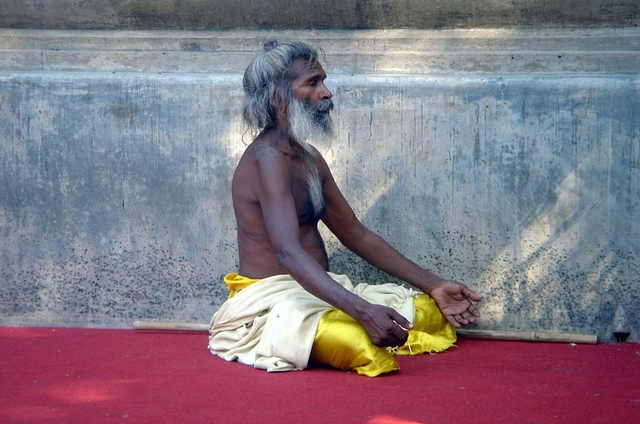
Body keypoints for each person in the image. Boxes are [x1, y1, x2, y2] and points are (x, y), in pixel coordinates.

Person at [208, 39, 481, 377]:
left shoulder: (309, 158)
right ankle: (337, 324)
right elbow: (288, 254)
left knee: (428, 313)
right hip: (273, 303)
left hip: (321, 290)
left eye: (323, 80)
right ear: (277, 96)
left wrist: (434, 284)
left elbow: (356, 234)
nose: (327, 93)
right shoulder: (267, 160)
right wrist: (362, 311)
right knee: (365, 347)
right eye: (312, 83)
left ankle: (358, 315)